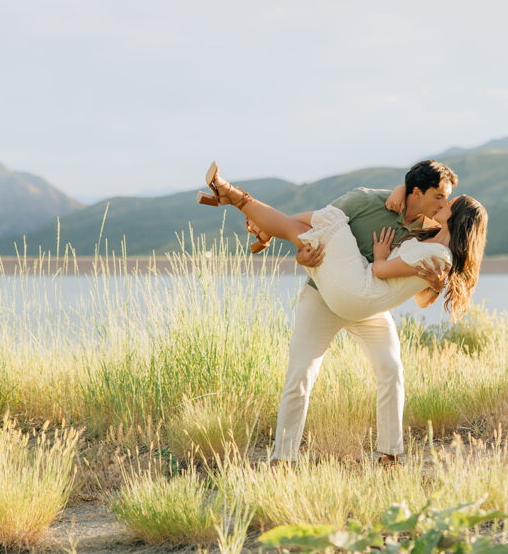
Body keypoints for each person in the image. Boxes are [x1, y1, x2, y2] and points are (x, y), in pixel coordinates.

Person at [200, 160, 488, 463]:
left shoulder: (430, 231)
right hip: (324, 296)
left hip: (368, 302)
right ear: (417, 192)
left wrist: (435, 284)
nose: (443, 204)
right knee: (300, 375)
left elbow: (420, 300)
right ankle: (282, 459)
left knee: (391, 370)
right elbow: (313, 226)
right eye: (439, 196)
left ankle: (389, 455)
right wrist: (302, 255)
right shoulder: (368, 200)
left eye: (447, 200)